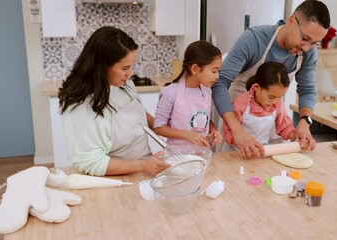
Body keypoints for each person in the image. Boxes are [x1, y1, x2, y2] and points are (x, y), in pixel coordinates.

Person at [212, 0, 330, 157]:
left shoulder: (308, 52)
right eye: (305, 38)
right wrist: (237, 131)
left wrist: (304, 121)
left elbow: (307, 89)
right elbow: (219, 82)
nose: (306, 48)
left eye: (315, 43)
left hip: (272, 129)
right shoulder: (254, 39)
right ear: (291, 21)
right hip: (236, 123)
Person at [58, 26, 170, 176]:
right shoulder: (81, 106)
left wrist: (170, 128)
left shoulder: (123, 84)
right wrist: (142, 165)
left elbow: (138, 116)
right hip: (112, 180)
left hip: (143, 171)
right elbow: (92, 163)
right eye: (125, 68)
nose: (130, 74)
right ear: (102, 66)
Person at [153, 40, 223, 147]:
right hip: (177, 157)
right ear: (195, 69)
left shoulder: (207, 91)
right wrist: (187, 135)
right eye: (214, 71)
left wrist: (213, 131)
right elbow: (159, 128)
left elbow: (206, 120)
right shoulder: (170, 92)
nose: (217, 76)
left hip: (201, 155)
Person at [222, 61, 296, 151]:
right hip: (237, 152)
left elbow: (284, 126)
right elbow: (230, 131)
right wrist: (246, 145)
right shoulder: (241, 102)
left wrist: (296, 135)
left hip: (261, 151)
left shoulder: (277, 103)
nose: (274, 102)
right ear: (257, 87)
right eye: (271, 97)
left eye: (279, 97)